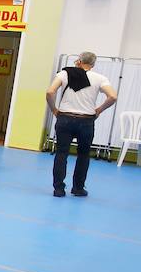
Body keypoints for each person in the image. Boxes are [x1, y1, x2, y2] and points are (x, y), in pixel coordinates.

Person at [46, 50, 118, 197]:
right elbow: (112, 96)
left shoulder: (64, 74)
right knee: (84, 155)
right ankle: (78, 188)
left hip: (65, 118)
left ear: (78, 60)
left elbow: (50, 92)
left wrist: (54, 109)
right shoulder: (100, 78)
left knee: (61, 153)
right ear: (92, 64)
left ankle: (58, 189)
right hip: (86, 120)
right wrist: (98, 110)